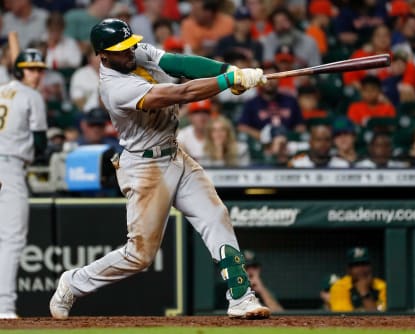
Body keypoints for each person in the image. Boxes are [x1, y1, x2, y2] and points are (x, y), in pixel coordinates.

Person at [49, 18, 270, 320]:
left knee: (215, 216)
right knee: (139, 256)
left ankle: (241, 296)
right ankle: (73, 282)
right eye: (121, 50)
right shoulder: (115, 87)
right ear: (103, 55)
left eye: (130, 45)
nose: (130, 52)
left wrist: (226, 70)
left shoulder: (134, 52)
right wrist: (226, 82)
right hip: (145, 165)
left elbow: (178, 63)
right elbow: (179, 94)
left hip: (175, 152)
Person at [0, 49, 48, 319]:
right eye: (31, 69)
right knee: (12, 240)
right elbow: (40, 144)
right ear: (19, 70)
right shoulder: (32, 96)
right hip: (9, 168)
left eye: (40, 69)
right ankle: (4, 308)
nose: (37, 74)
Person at [329, 247, 386, 312]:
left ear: (371, 266)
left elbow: (381, 320)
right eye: (356, 265)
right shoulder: (339, 287)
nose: (361, 269)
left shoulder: (382, 286)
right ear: (349, 269)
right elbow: (344, 318)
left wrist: (364, 292)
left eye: (364, 264)